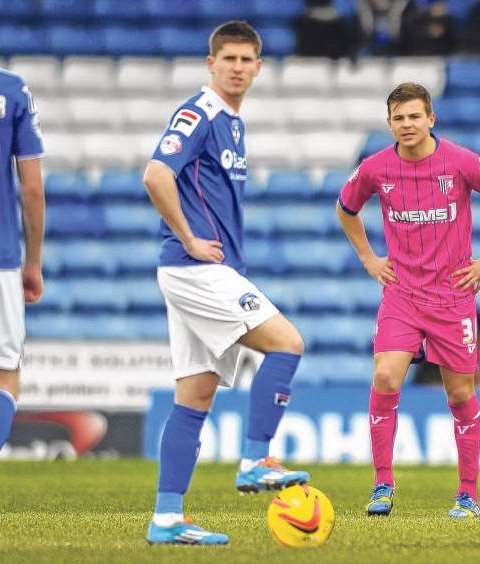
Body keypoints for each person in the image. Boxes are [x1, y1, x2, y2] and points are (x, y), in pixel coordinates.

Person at [143, 21, 309, 546]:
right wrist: (189, 237)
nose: (237, 67)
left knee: (194, 397)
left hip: (203, 270)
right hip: (196, 268)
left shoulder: (234, 122)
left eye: (246, 60)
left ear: (259, 67)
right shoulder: (201, 112)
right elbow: (155, 174)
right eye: (228, 59)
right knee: (287, 343)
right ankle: (256, 458)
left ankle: (167, 519)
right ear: (210, 63)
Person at [336, 82, 480, 519]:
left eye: (414, 116)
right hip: (401, 294)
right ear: (389, 124)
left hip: (452, 297)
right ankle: (382, 484)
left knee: (459, 393)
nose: (407, 124)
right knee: (385, 376)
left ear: (431, 119)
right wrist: (368, 258)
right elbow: (346, 208)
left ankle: (468, 493)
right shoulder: (375, 168)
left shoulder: (459, 161)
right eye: (399, 118)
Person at [0, 69, 45, 453]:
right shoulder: (12, 90)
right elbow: (30, 187)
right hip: (2, 256)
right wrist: (33, 262)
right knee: (5, 372)